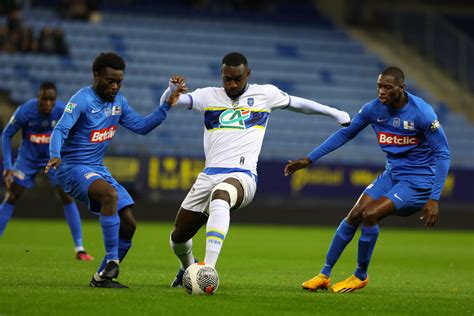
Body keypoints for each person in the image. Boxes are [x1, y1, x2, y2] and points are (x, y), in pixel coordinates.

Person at [162, 52, 352, 288]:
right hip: (209, 175)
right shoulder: (208, 95)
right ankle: (187, 268)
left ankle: (208, 270)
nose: (231, 84)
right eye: (227, 79)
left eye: (237, 79)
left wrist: (335, 113)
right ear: (221, 76)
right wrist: (171, 91)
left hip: (242, 176)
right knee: (178, 238)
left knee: (220, 197)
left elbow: (299, 104)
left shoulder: (265, 94)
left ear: (248, 74)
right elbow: (169, 103)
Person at [284, 66, 450, 293]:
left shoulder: (422, 113)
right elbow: (346, 133)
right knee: (354, 215)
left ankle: (360, 275)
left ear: (402, 88)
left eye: (387, 88)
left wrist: (434, 198)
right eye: (379, 86)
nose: (381, 92)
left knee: (370, 214)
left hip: (417, 183)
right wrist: (310, 159)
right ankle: (324, 274)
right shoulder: (373, 109)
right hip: (392, 174)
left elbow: (443, 154)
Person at [45, 52, 186, 289]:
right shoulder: (81, 100)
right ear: (96, 75)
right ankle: (112, 260)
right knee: (109, 195)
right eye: (110, 81)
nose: (114, 86)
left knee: (129, 224)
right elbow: (59, 130)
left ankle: (102, 278)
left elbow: (141, 127)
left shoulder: (119, 102)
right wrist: (55, 155)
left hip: (98, 169)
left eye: (119, 82)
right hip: (72, 168)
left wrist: (165, 106)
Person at [1, 81, 93, 261]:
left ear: (55, 99)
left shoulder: (61, 110)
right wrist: (7, 166)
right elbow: (6, 134)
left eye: (51, 99)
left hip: (53, 159)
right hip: (27, 160)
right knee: (11, 196)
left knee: (66, 196)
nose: (48, 104)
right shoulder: (25, 111)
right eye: (44, 99)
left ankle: (80, 249)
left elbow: (77, 132)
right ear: (38, 98)